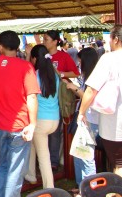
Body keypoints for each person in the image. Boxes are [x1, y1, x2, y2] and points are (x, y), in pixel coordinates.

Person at [0, 30, 39, 197]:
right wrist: (32, 124)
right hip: (20, 126)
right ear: (18, 47)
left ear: (0, 46)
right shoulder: (26, 67)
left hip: (0, 125)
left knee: (3, 166)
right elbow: (31, 97)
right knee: (15, 172)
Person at [28, 30, 80, 172]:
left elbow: (76, 72)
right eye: (44, 39)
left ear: (55, 41)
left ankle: (53, 162)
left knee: (55, 135)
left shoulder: (63, 56)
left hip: (57, 99)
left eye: (46, 39)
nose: (44, 41)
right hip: (45, 105)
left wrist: (60, 74)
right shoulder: (40, 56)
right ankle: (44, 163)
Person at [78, 25, 122, 178]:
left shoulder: (109, 58)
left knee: (118, 165)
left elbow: (91, 90)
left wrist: (81, 112)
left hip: (115, 125)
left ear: (116, 39)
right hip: (114, 124)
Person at [65, 47, 99, 195]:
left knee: (86, 155)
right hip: (85, 118)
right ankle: (82, 186)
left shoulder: (95, 76)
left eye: (80, 61)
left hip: (90, 118)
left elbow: (89, 96)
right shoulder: (87, 75)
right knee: (79, 153)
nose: (78, 64)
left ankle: (90, 189)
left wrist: (75, 88)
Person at [25, 45, 60, 188]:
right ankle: (31, 174)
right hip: (54, 120)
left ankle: (49, 188)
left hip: (40, 120)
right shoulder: (54, 74)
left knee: (44, 157)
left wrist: (27, 57)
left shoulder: (35, 75)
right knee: (32, 144)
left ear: (34, 58)